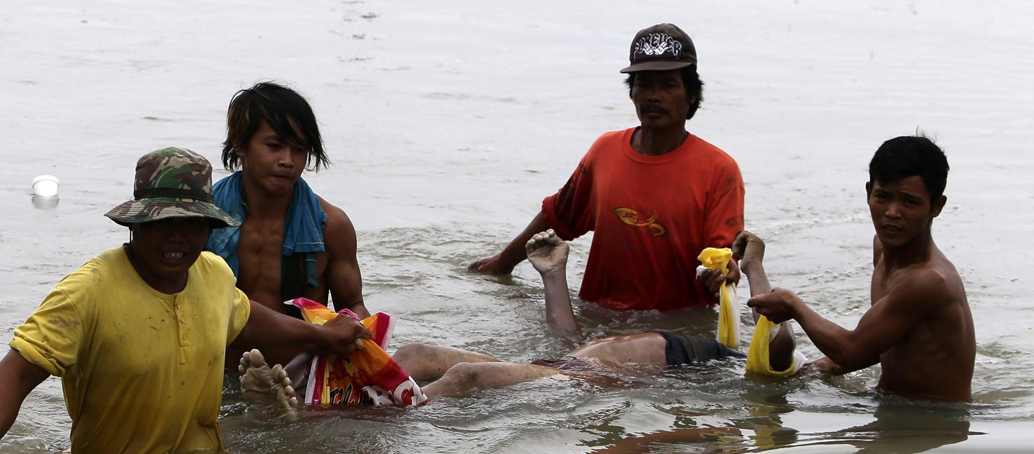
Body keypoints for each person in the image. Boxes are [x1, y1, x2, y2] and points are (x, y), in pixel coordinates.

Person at [0, 147, 369, 454]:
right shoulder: (87, 293)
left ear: (210, 230)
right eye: (163, 224)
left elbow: (245, 317)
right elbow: (14, 374)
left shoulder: (214, 274)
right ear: (135, 225)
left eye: (192, 225)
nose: (177, 239)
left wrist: (320, 336)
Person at [238, 229, 799, 403]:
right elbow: (566, 335)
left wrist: (757, 276)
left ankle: (347, 418)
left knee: (465, 378)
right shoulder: (727, 347)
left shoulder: (734, 363)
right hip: (564, 360)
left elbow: (779, 349)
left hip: (585, 375)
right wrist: (554, 276)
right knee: (417, 354)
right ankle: (321, 396)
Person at [470, 23, 744, 312]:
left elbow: (723, 258)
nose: (653, 95)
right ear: (631, 92)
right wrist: (502, 263)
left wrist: (723, 276)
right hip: (597, 315)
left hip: (673, 331)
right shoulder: (605, 151)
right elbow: (559, 216)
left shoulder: (719, 170)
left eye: (668, 85)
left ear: (691, 95)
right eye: (643, 84)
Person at [748, 136, 975, 403]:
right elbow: (881, 341)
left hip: (935, 422)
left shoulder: (928, 280)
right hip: (890, 403)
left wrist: (792, 304)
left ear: (936, 206)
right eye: (882, 196)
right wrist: (823, 367)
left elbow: (851, 349)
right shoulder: (882, 249)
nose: (892, 212)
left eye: (909, 202)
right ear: (868, 192)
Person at [207, 82, 368, 369]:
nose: (287, 161)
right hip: (218, 374)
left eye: (299, 150)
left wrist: (357, 329)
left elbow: (353, 306)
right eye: (274, 146)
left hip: (300, 377)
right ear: (239, 143)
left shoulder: (332, 226)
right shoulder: (203, 219)